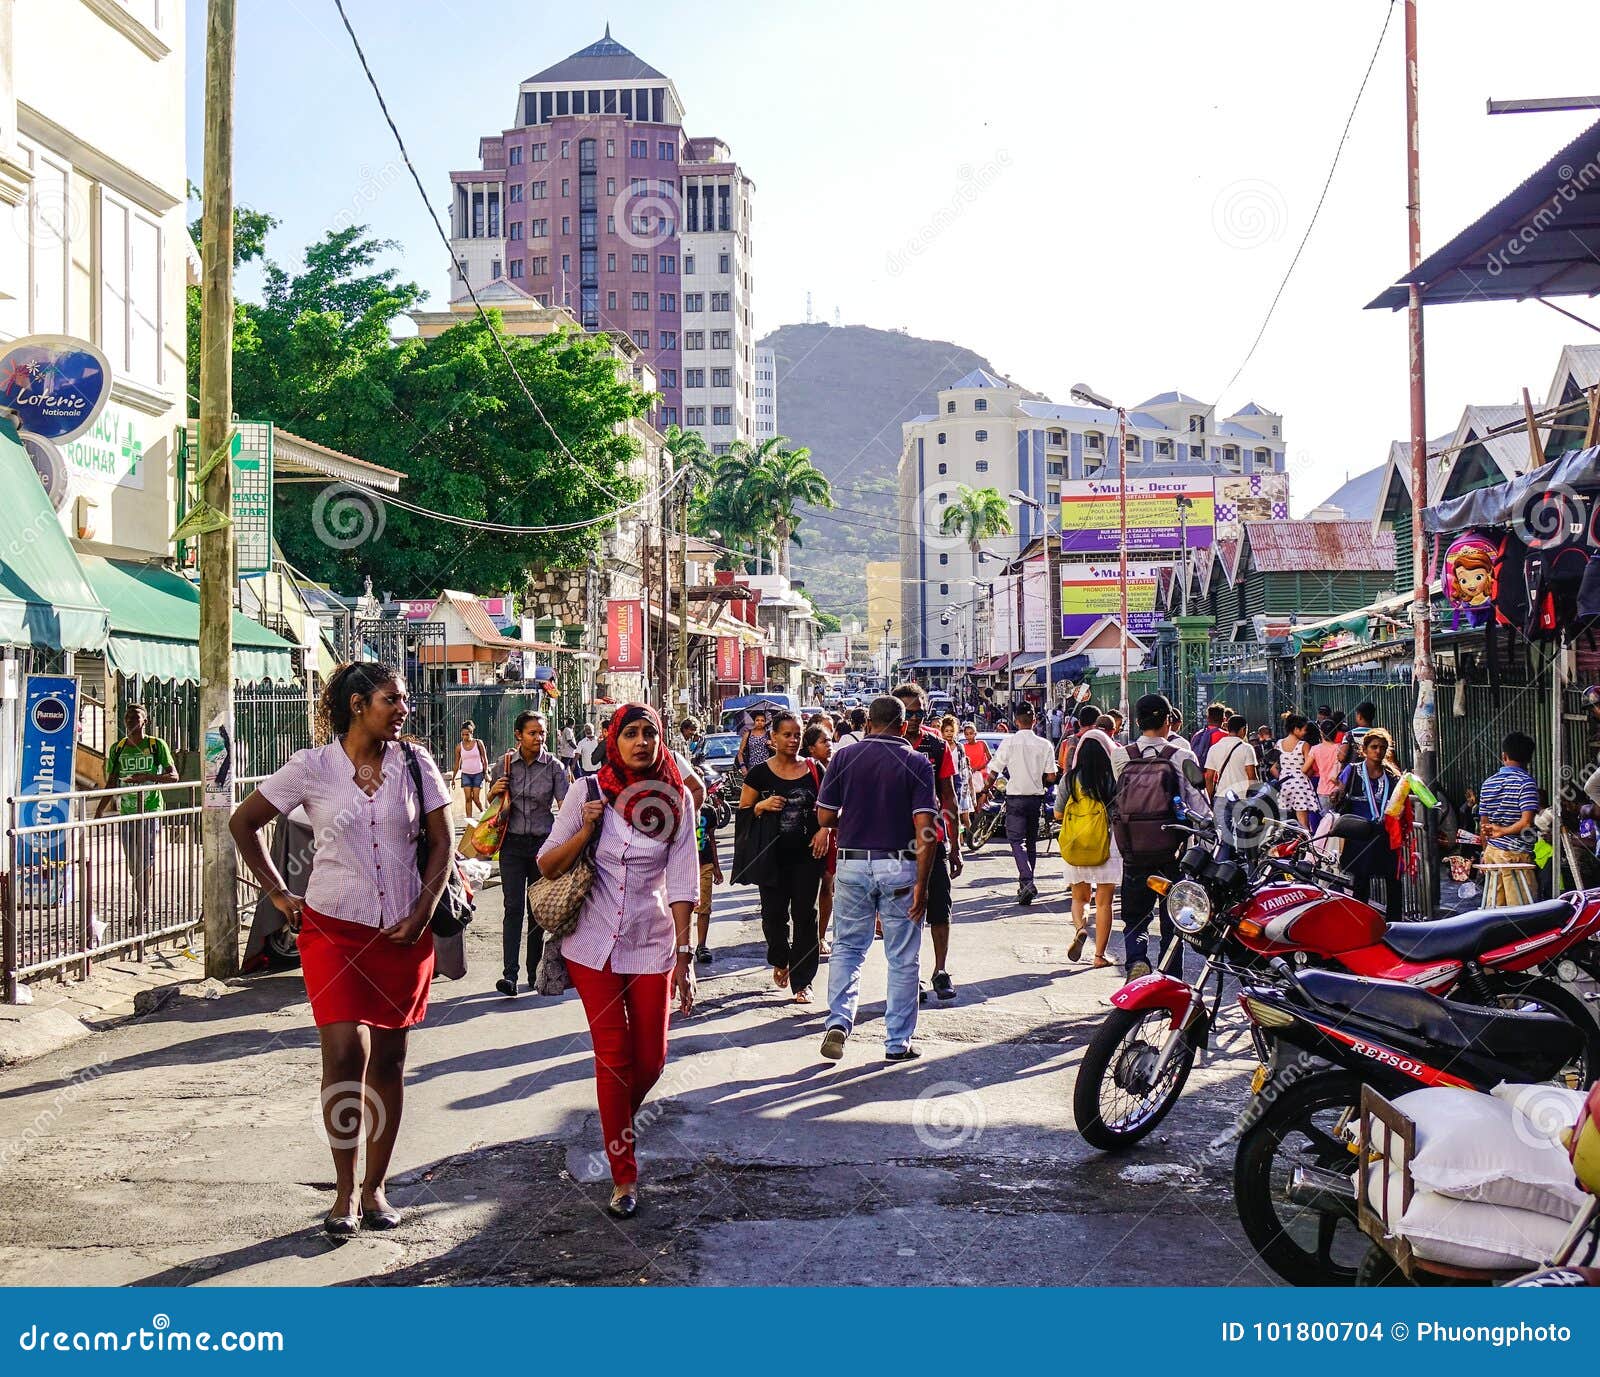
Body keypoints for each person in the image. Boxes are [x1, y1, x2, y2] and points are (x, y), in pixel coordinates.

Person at [229, 662, 451, 1237]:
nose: (403, 709)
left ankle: (377, 1190)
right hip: (332, 930)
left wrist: (421, 911)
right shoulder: (311, 767)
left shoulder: (416, 764)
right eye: (392, 700)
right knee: (344, 1055)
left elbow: (444, 844)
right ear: (357, 705)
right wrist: (278, 890)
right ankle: (344, 1190)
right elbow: (244, 822)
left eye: (404, 701)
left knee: (391, 1060)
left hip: (404, 929)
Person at [537, 704, 698, 1220]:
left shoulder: (674, 799)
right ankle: (623, 1177)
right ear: (613, 740)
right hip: (591, 944)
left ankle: (612, 1131)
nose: (642, 742)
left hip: (652, 944)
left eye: (650, 733)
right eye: (631, 733)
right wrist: (586, 831)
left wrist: (686, 953)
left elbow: (683, 881)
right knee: (613, 1054)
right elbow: (546, 862)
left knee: (651, 1060)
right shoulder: (588, 791)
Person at [814, 695, 938, 1063]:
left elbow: (823, 816)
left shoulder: (844, 757)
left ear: (868, 724)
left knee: (848, 948)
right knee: (902, 958)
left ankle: (838, 1021)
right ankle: (897, 1042)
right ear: (903, 727)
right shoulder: (917, 762)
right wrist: (923, 883)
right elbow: (925, 829)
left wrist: (852, 819)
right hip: (898, 866)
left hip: (851, 864)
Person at [1115, 693, 1209, 978]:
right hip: (1173, 851)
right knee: (1173, 918)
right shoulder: (1183, 756)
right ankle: (1169, 977)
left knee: (1135, 916)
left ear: (1137, 721)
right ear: (1169, 720)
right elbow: (1200, 805)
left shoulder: (1121, 756)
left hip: (1133, 849)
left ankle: (1136, 960)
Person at [738, 711, 828, 1003]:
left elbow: (831, 808)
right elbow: (743, 813)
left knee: (806, 916)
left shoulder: (815, 769)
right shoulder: (759, 773)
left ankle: (803, 981)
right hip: (771, 857)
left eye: (797, 735)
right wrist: (762, 805)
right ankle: (780, 958)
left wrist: (824, 830)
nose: (793, 740)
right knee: (773, 916)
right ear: (772, 738)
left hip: (807, 857)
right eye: (787, 734)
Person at [487, 711, 569, 997]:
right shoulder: (505, 764)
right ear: (518, 735)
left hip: (542, 848)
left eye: (542, 733)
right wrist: (492, 792)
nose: (538, 738)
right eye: (532, 733)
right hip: (511, 845)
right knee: (513, 908)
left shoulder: (554, 767)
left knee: (537, 911)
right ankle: (509, 975)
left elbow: (565, 807)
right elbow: (493, 804)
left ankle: (533, 972)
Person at [894, 683, 963, 998]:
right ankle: (912, 974)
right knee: (906, 913)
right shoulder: (883, 746)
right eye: (909, 713)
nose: (915, 718)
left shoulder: (937, 746)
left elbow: (949, 797)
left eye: (920, 712)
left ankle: (941, 970)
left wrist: (956, 845)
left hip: (933, 840)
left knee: (940, 908)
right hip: (896, 841)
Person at [98, 703, 179, 923]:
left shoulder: (156, 745)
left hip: (150, 810)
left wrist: (148, 777)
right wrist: (99, 811)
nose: (131, 721)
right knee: (134, 863)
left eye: (136, 717)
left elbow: (174, 776)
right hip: (127, 812)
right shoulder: (118, 748)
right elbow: (112, 782)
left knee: (146, 860)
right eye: (128, 718)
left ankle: (144, 908)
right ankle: (143, 905)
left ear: (145, 721)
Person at [1056, 709, 1123, 968]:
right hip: (1106, 844)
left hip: (1078, 843)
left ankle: (1080, 929)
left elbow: (1058, 813)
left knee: (1080, 897)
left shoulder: (1070, 779)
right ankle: (1099, 956)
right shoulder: (1114, 780)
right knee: (1105, 902)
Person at [1331, 728, 1406, 923]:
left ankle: (1395, 923)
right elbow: (1339, 791)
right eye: (1373, 747)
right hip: (1360, 834)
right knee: (1361, 881)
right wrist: (1336, 795)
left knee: (1393, 880)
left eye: (1382, 747)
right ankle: (1361, 922)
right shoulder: (1353, 770)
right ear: (1364, 750)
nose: (1378, 751)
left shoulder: (1392, 775)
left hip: (1384, 834)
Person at [989, 702, 1058, 905]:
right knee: (1031, 843)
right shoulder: (1045, 744)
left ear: (1016, 720)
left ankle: (1027, 881)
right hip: (1035, 799)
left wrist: (985, 790)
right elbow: (1052, 776)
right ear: (1034, 720)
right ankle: (1026, 882)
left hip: (1015, 799)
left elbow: (993, 771)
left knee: (1016, 841)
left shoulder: (1009, 743)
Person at [1478, 731, 1540, 907]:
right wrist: (1503, 832)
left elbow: (1484, 824)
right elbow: (1526, 822)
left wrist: (1485, 851)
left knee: (1493, 912)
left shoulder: (1488, 783)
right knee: (1521, 912)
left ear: (1504, 756)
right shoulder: (1526, 783)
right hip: (1516, 857)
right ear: (1529, 759)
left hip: (1492, 855)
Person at [802, 723, 837, 955]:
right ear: (811, 748)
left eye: (830, 740)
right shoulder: (804, 769)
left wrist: (826, 830)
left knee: (827, 883)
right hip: (806, 836)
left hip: (831, 833)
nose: (829, 745)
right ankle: (803, 936)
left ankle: (821, 935)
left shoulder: (837, 767)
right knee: (805, 889)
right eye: (824, 741)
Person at [694, 785, 722, 965]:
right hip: (684, 866)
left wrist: (716, 868)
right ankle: (682, 945)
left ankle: (701, 945)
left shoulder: (708, 811)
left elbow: (711, 839)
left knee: (704, 906)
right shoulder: (676, 809)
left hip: (705, 864)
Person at [1275, 713, 1318, 829]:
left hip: (1284, 784)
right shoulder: (1304, 745)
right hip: (1300, 784)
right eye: (1304, 730)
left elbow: (1273, 767)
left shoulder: (1278, 744)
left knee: (1284, 821)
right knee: (1304, 822)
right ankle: (1306, 844)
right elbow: (1308, 768)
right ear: (1295, 729)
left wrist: (1282, 777)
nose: (1305, 733)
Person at [942, 714, 975, 855]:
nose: (949, 734)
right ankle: (956, 841)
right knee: (950, 815)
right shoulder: (940, 745)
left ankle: (972, 839)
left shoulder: (960, 747)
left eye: (951, 731)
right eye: (946, 731)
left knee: (964, 816)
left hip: (960, 783)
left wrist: (969, 787)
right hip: (946, 781)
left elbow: (965, 768)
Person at [1204, 713, 1257, 801]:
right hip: (1241, 797)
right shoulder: (1246, 748)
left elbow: (1209, 778)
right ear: (1243, 730)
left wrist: (1209, 800)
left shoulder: (1214, 748)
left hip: (1220, 797)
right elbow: (1251, 777)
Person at [451, 720, 488, 817]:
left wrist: (486, 773)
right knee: (468, 798)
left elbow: (484, 758)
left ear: (471, 733)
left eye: (467, 734)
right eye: (462, 735)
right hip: (466, 774)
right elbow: (457, 763)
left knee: (475, 798)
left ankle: (483, 813)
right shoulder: (459, 747)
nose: (464, 737)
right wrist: (454, 778)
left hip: (478, 773)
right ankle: (469, 821)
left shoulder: (478, 743)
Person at [1308, 718, 1345, 812]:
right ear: (1336, 733)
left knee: (1325, 822)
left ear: (1321, 733)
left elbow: (1305, 769)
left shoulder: (1315, 749)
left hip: (1322, 790)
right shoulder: (1340, 748)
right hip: (1338, 790)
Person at [961, 721, 992, 822]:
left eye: (971, 733)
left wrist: (978, 768)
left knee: (981, 805)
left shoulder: (982, 744)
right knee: (973, 806)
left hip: (983, 777)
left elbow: (989, 758)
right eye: (966, 734)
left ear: (975, 733)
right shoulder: (963, 747)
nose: (969, 736)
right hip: (970, 778)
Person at [736, 708, 773, 772]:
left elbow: (779, 751)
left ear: (765, 722)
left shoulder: (769, 734)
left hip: (767, 768)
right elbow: (740, 753)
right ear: (754, 721)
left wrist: (771, 745)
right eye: (757, 720)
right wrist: (743, 767)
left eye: (762, 720)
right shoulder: (748, 734)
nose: (760, 722)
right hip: (752, 768)